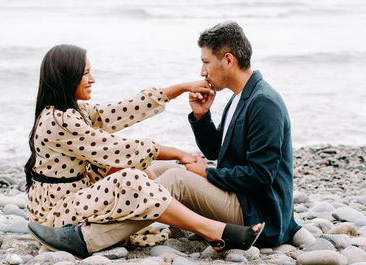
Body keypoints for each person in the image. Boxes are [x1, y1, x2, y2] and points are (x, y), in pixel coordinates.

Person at [25, 44, 264, 259]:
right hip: (56, 214)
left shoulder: (78, 111)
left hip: (75, 198)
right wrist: (177, 153)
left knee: (153, 170)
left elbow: (126, 109)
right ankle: (215, 231)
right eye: (86, 73)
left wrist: (181, 88)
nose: (92, 79)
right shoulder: (60, 120)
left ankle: (180, 218)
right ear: (67, 77)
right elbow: (116, 149)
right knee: (131, 176)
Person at [176, 21, 300, 246]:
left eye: (206, 62)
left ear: (228, 60)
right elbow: (215, 150)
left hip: (258, 214)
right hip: (237, 197)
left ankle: (105, 234)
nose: (202, 72)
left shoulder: (263, 102)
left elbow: (261, 175)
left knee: (176, 179)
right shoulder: (239, 96)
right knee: (158, 169)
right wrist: (202, 116)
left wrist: (208, 174)